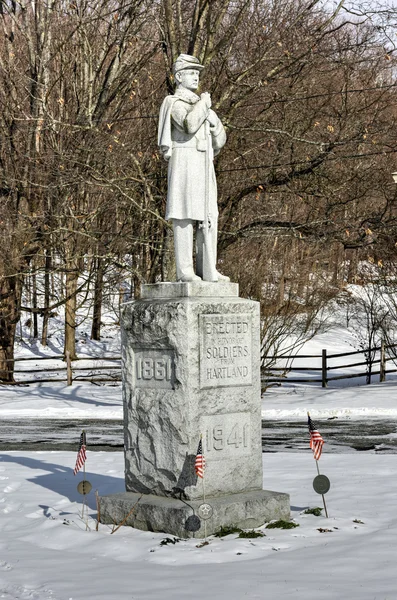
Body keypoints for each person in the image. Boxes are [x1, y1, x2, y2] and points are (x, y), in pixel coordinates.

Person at [158, 54, 229, 282]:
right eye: (191, 73)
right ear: (179, 76)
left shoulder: (202, 107)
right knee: (184, 216)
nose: (196, 77)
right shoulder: (173, 103)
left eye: (198, 73)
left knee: (209, 216)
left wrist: (215, 123)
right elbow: (188, 125)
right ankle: (185, 270)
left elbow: (219, 142)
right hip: (184, 163)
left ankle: (209, 269)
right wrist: (203, 106)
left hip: (204, 164)